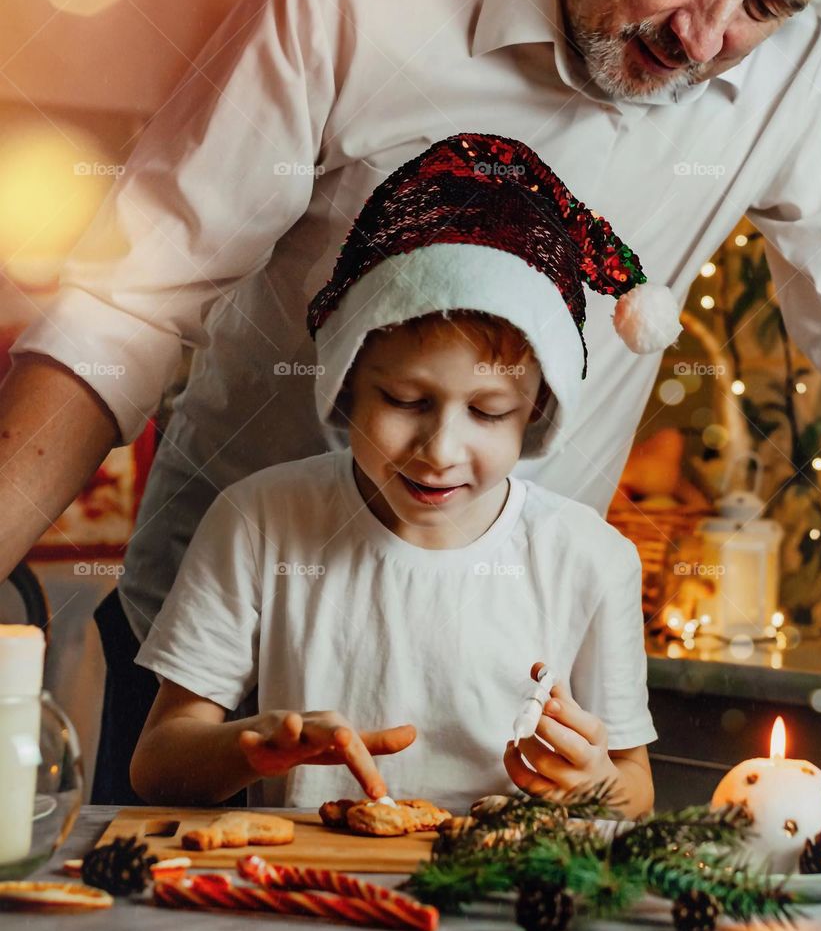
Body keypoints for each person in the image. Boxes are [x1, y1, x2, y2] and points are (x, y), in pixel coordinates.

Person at [2, 0, 821, 801]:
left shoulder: (810, 78)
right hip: (229, 648)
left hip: (508, 686)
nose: (704, 37)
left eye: (763, 3)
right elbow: (130, 300)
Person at [129, 134, 671, 814]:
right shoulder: (260, 522)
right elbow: (158, 766)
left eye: (488, 411)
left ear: (535, 411)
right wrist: (253, 747)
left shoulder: (591, 561)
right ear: (347, 382)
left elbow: (634, 791)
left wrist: (589, 779)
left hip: (501, 902)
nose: (441, 448)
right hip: (310, 899)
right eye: (406, 402)